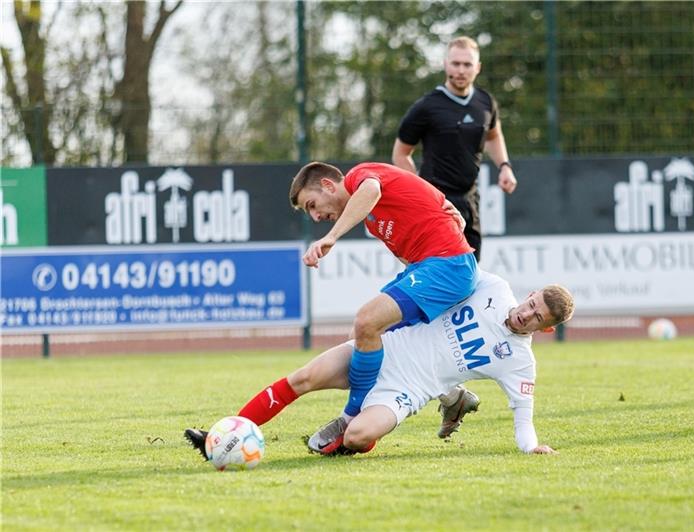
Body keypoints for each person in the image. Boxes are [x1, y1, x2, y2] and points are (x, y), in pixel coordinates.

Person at [185, 271, 575, 457]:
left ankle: (357, 427)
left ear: (545, 330)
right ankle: (221, 435)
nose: (527, 314)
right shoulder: (493, 287)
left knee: (356, 438)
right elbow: (452, 264)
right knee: (302, 377)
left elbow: (523, 417)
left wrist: (532, 448)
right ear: (529, 294)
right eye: (532, 304)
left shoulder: (520, 363)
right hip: (385, 349)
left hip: (407, 391)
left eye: (537, 317)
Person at [288, 161, 479, 453]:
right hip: (427, 268)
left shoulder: (358, 177)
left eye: (312, 205)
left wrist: (331, 237)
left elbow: (372, 189)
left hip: (446, 266)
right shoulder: (374, 220)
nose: (315, 216)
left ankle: (350, 416)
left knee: (367, 323)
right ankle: (453, 397)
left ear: (328, 185)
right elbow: (414, 229)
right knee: (374, 336)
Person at [392, 36, 518, 263]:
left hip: (470, 200)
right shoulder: (426, 106)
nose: (461, 70)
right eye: (456, 64)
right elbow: (400, 154)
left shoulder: (486, 102)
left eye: (467, 64)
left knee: (470, 271)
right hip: (437, 203)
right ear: (445, 64)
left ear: (477, 68)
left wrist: (505, 166)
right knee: (441, 272)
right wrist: (419, 194)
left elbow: (494, 134)